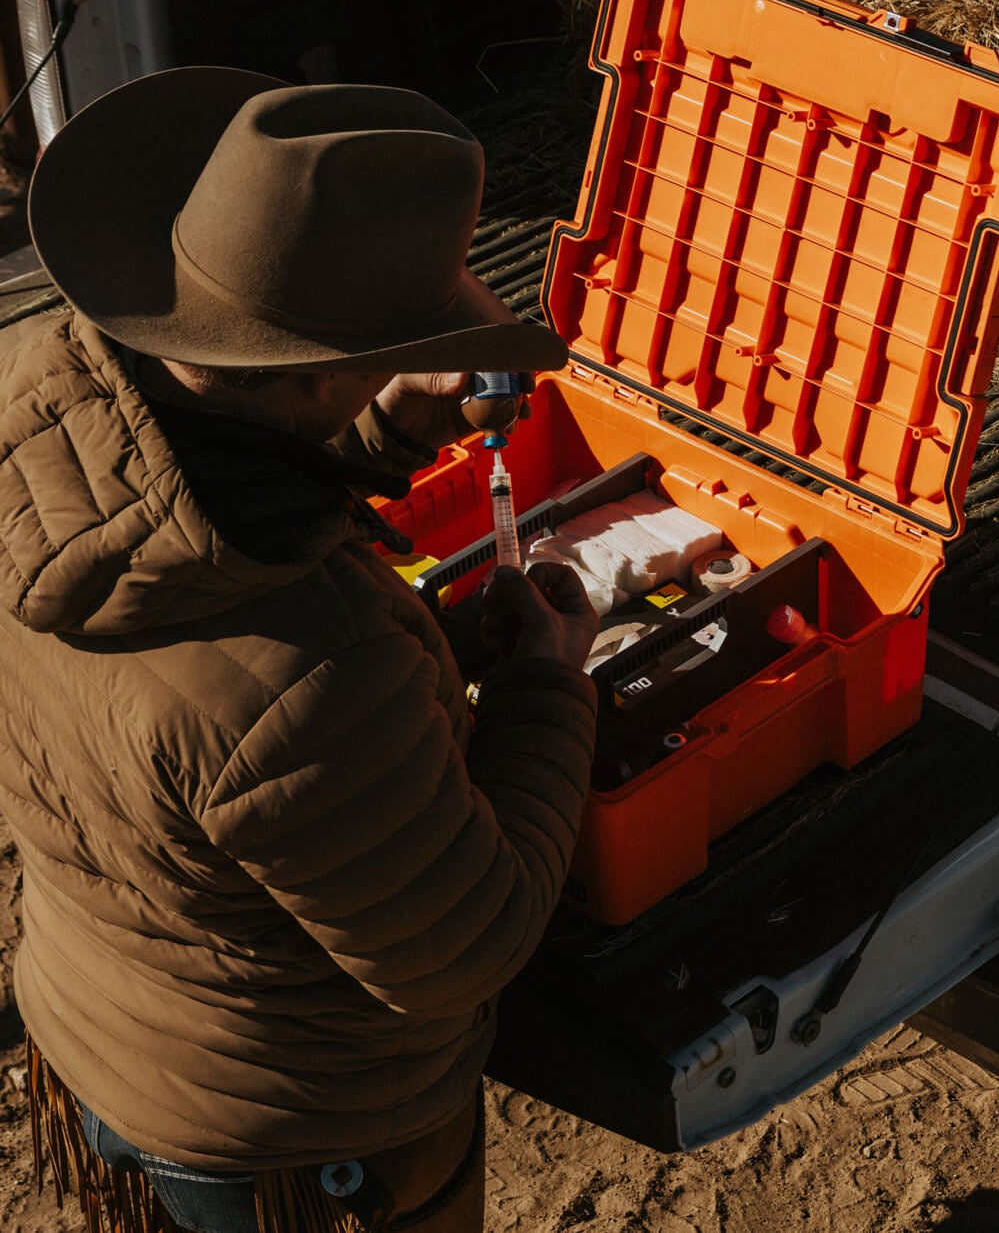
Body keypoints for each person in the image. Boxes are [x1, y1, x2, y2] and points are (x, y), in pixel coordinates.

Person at [0, 67, 601, 1232]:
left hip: (100, 1022)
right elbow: (465, 942)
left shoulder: (35, 403)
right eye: (403, 338)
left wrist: (372, 427)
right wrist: (547, 687)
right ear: (315, 374)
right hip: (290, 1147)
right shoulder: (309, 680)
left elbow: (205, 480)